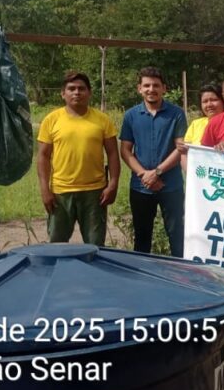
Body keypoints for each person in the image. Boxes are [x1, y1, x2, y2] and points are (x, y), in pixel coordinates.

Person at [36, 71, 120, 246]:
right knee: (57, 245)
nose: (76, 92)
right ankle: (58, 274)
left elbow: (113, 153)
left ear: (89, 93)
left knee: (95, 246)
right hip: (61, 193)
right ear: (63, 93)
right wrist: (45, 189)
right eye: (71, 89)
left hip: (95, 193)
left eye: (81, 88)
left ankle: (94, 274)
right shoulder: (51, 120)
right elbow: (43, 156)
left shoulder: (102, 120)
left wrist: (113, 184)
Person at [119, 67, 188, 257]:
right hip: (140, 186)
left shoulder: (177, 114)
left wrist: (157, 172)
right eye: (147, 85)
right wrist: (144, 174)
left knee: (177, 235)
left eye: (156, 85)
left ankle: (180, 277)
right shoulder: (131, 115)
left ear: (164, 88)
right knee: (142, 237)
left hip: (171, 185)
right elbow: (125, 150)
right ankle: (141, 279)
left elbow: (180, 148)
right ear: (139, 89)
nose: (151, 89)